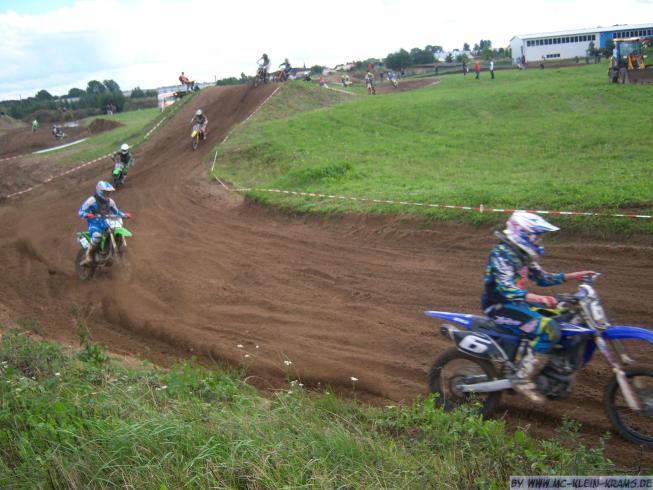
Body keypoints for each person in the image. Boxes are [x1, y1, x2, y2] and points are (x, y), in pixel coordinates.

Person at [482, 211, 595, 403]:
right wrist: (538, 298)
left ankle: (555, 367)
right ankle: (522, 376)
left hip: (518, 304)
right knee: (548, 329)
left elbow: (542, 278)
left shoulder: (522, 254)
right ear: (523, 233)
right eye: (536, 236)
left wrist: (573, 276)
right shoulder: (502, 253)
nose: (539, 240)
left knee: (569, 318)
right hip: (499, 307)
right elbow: (505, 288)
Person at [78, 181, 131, 265]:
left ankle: (109, 252)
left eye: (109, 192)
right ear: (100, 191)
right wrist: (87, 214)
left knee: (115, 232)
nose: (107, 194)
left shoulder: (110, 202)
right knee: (97, 236)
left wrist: (124, 215)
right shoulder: (91, 200)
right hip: (94, 223)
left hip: (106, 222)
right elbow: (81, 211)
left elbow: (117, 212)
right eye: (106, 192)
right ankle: (88, 256)